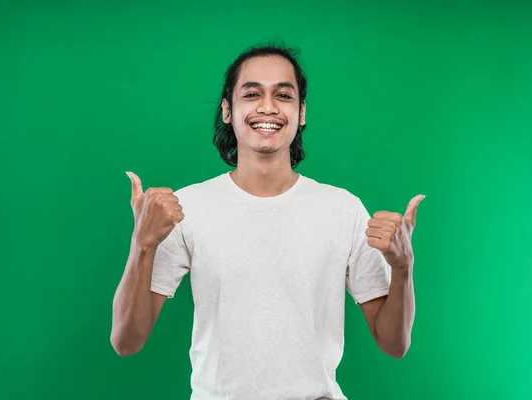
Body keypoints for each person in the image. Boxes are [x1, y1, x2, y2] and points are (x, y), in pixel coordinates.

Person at [111, 42, 425, 400]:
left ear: (301, 111)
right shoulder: (188, 207)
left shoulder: (343, 208)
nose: (268, 107)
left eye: (284, 95)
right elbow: (126, 340)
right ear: (228, 110)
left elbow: (394, 343)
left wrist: (403, 267)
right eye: (251, 93)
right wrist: (142, 244)